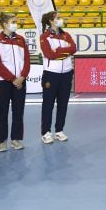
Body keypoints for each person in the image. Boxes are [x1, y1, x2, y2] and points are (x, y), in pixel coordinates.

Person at [0, 12, 29, 151]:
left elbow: (27, 60)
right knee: (2, 111)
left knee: (18, 111)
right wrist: (13, 79)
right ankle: (1, 140)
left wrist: (22, 77)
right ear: (5, 24)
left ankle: (16, 139)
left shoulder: (21, 39)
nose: (15, 24)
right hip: (3, 82)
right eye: (13, 21)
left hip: (20, 81)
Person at [39, 11, 76, 143]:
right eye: (58, 18)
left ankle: (59, 130)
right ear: (51, 21)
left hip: (66, 73)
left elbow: (74, 49)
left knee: (63, 103)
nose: (61, 20)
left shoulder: (66, 35)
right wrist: (65, 53)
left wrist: (59, 52)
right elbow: (50, 55)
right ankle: (46, 132)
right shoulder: (45, 37)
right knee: (48, 104)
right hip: (51, 74)